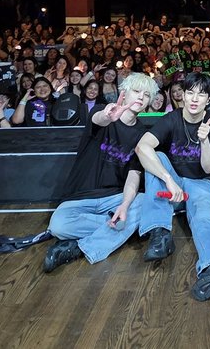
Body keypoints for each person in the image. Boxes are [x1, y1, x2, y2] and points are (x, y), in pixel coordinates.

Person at [134, 72, 210, 301]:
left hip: (201, 184)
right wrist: (167, 178)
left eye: (201, 94)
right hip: (172, 184)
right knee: (156, 156)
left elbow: (209, 168)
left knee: (205, 219)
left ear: (208, 99)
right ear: (182, 96)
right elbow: (141, 147)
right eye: (190, 93)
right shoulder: (171, 118)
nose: (195, 99)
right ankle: (160, 235)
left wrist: (204, 140)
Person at [42, 73, 159, 272]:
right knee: (58, 226)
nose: (141, 97)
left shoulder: (142, 135)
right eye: (137, 91)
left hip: (113, 198)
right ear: (124, 93)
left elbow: (134, 174)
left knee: (141, 203)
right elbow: (99, 119)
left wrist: (124, 204)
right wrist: (108, 115)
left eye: (146, 95)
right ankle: (121, 228)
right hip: (80, 197)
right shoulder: (101, 111)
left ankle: (78, 247)